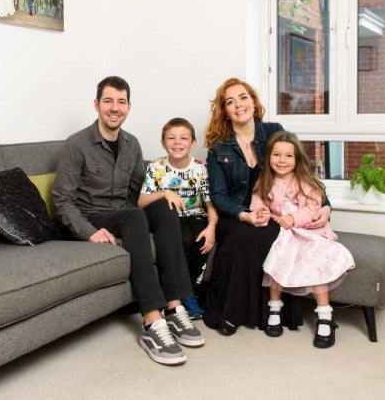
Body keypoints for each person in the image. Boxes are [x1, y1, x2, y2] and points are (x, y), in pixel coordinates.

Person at [52, 76, 204, 366]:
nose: (114, 107)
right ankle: (151, 321)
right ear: (97, 104)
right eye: (108, 101)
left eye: (121, 102)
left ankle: (174, 305)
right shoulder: (77, 144)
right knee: (134, 215)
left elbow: (138, 192)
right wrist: (89, 232)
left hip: (125, 214)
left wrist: (164, 194)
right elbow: (62, 200)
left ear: (128, 107)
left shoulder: (132, 144)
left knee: (165, 207)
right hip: (92, 216)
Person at [202, 77, 331, 336]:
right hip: (236, 213)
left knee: (275, 236)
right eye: (230, 101)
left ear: (253, 101)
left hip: (275, 213)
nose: (238, 105)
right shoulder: (218, 147)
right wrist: (246, 215)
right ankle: (233, 312)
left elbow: (302, 172)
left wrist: (326, 206)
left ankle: (272, 312)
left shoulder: (273, 131)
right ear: (224, 111)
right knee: (241, 238)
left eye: (243, 97)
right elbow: (218, 195)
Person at [252, 130, 355, 348]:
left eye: (288, 156)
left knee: (316, 258)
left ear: (297, 158)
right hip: (283, 231)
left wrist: (293, 218)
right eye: (277, 155)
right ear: (268, 156)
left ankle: (325, 315)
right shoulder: (264, 181)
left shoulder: (304, 181)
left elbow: (312, 208)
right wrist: (261, 214)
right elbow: (258, 205)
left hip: (307, 230)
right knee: (277, 259)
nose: (282, 160)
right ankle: (274, 307)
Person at [138, 117, 218, 320]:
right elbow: (141, 201)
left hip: (195, 216)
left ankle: (191, 291)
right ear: (163, 143)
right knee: (180, 238)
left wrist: (212, 228)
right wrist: (164, 193)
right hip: (168, 218)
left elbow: (210, 206)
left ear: (192, 143)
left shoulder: (200, 169)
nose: (177, 142)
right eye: (171, 138)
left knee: (200, 238)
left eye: (183, 138)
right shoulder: (156, 168)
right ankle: (182, 295)